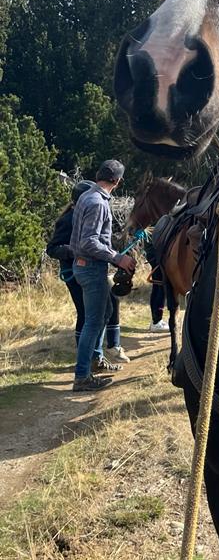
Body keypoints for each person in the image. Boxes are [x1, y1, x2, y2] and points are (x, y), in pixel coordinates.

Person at [46, 181, 130, 367]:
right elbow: (52, 248)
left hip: (90, 268)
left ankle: (104, 351)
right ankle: (86, 358)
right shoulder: (68, 219)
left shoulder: (88, 213)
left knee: (109, 304)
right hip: (73, 272)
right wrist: (73, 251)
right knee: (86, 314)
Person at [70, 160, 136, 392]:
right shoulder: (98, 203)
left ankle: (95, 361)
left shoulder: (87, 197)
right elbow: (89, 242)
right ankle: (82, 377)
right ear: (117, 181)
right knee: (94, 321)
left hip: (85, 266)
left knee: (105, 312)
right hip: (91, 268)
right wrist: (118, 258)